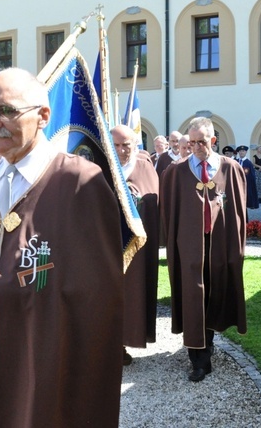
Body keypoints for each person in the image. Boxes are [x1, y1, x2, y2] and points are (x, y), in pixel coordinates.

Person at [0, 68, 124, 427]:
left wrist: (6, 294)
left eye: (6, 111)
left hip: (42, 353)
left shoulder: (78, 181)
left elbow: (97, 292)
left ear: (43, 116)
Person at [160, 117, 247, 382]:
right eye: (192, 142)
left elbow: (240, 213)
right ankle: (198, 359)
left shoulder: (230, 169)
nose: (196, 147)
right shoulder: (176, 172)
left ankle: (207, 343)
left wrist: (235, 245)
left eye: (202, 141)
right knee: (192, 296)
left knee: (215, 295)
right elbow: (168, 213)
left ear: (213, 140)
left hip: (218, 244)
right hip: (188, 247)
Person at [111, 125, 159, 366]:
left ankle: (126, 339)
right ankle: (109, 344)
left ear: (135, 144)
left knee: (133, 293)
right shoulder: (102, 167)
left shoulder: (144, 167)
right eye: (116, 145)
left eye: (126, 145)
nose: (121, 151)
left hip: (135, 246)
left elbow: (153, 199)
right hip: (107, 245)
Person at [236, 145, 259, 210]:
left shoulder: (248, 163)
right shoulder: (236, 161)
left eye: (243, 151)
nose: (241, 152)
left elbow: (251, 175)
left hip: (246, 183)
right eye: (240, 151)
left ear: (246, 152)